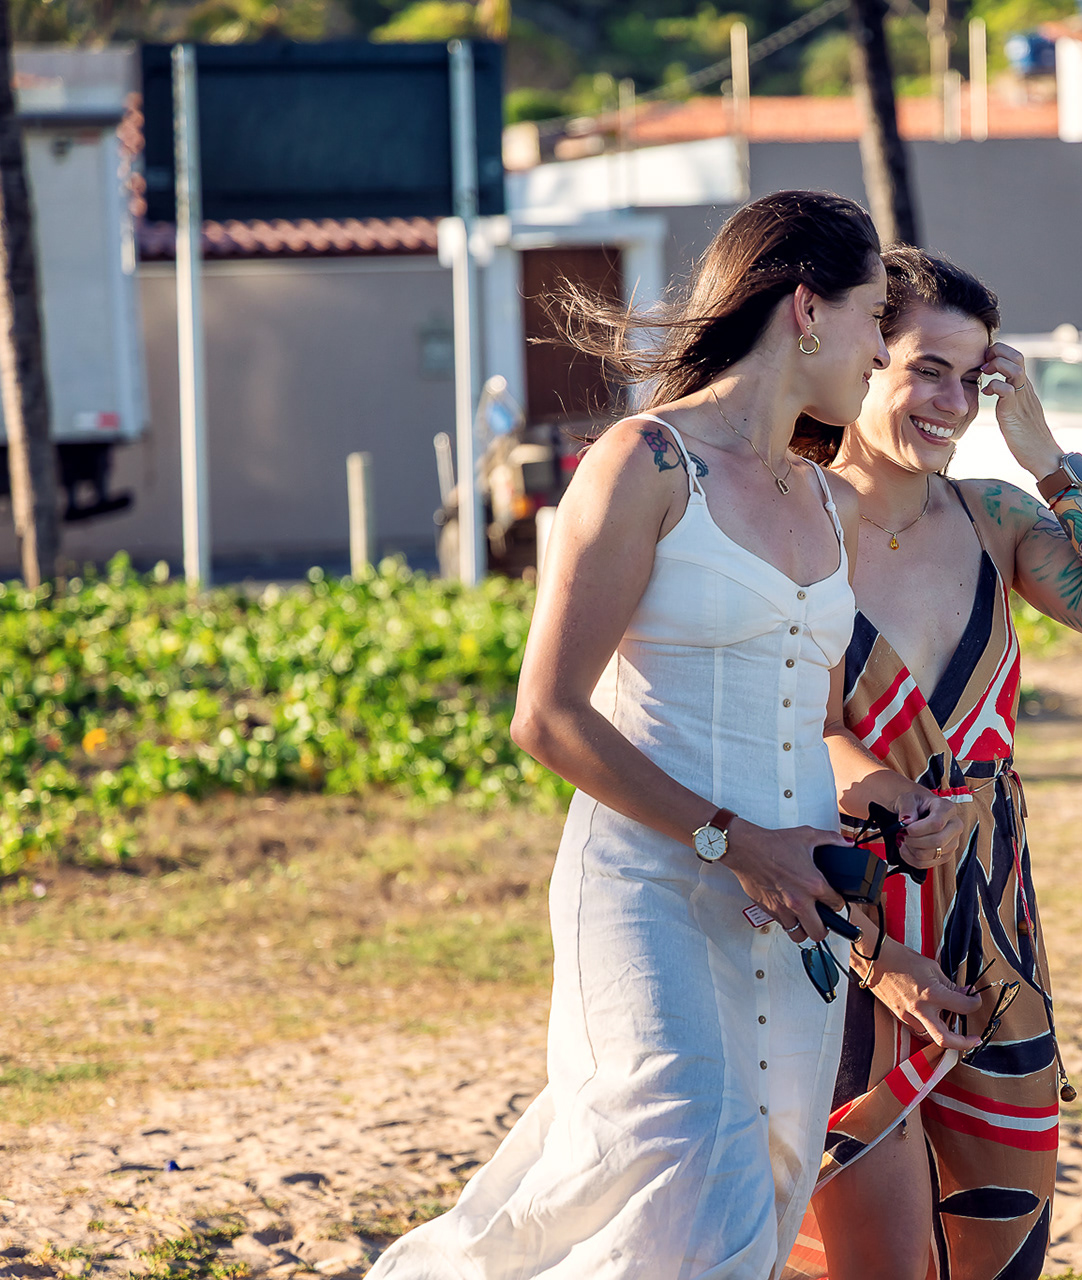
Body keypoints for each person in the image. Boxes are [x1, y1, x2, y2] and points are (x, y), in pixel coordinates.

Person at [367, 191, 957, 1280]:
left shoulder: (824, 499)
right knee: (693, 1180)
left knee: (752, 1195)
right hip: (651, 892)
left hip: (792, 916)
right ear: (806, 308)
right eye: (875, 318)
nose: (882, 353)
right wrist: (738, 841)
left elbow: (813, 722)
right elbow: (546, 714)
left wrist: (891, 801)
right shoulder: (644, 462)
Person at [785, 247, 1082, 1280]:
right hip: (841, 912)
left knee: (999, 1244)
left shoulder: (994, 518)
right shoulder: (792, 517)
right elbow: (784, 728)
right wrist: (890, 792)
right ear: (865, 353)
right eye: (929, 369)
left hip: (990, 921)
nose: (955, 404)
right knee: (871, 1250)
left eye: (975, 378)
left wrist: (1048, 456)